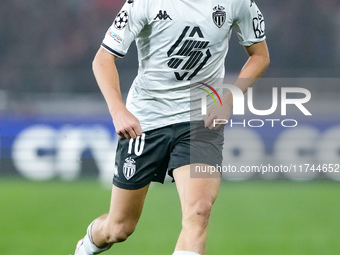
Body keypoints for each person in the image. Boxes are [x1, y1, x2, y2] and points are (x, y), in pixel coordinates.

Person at [74, 0, 269, 254]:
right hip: (146, 121)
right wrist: (118, 110)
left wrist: (229, 99)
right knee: (120, 228)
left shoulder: (236, 2)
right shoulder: (143, 3)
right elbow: (103, 58)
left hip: (200, 122)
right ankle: (86, 247)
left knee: (199, 210)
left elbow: (260, 55)